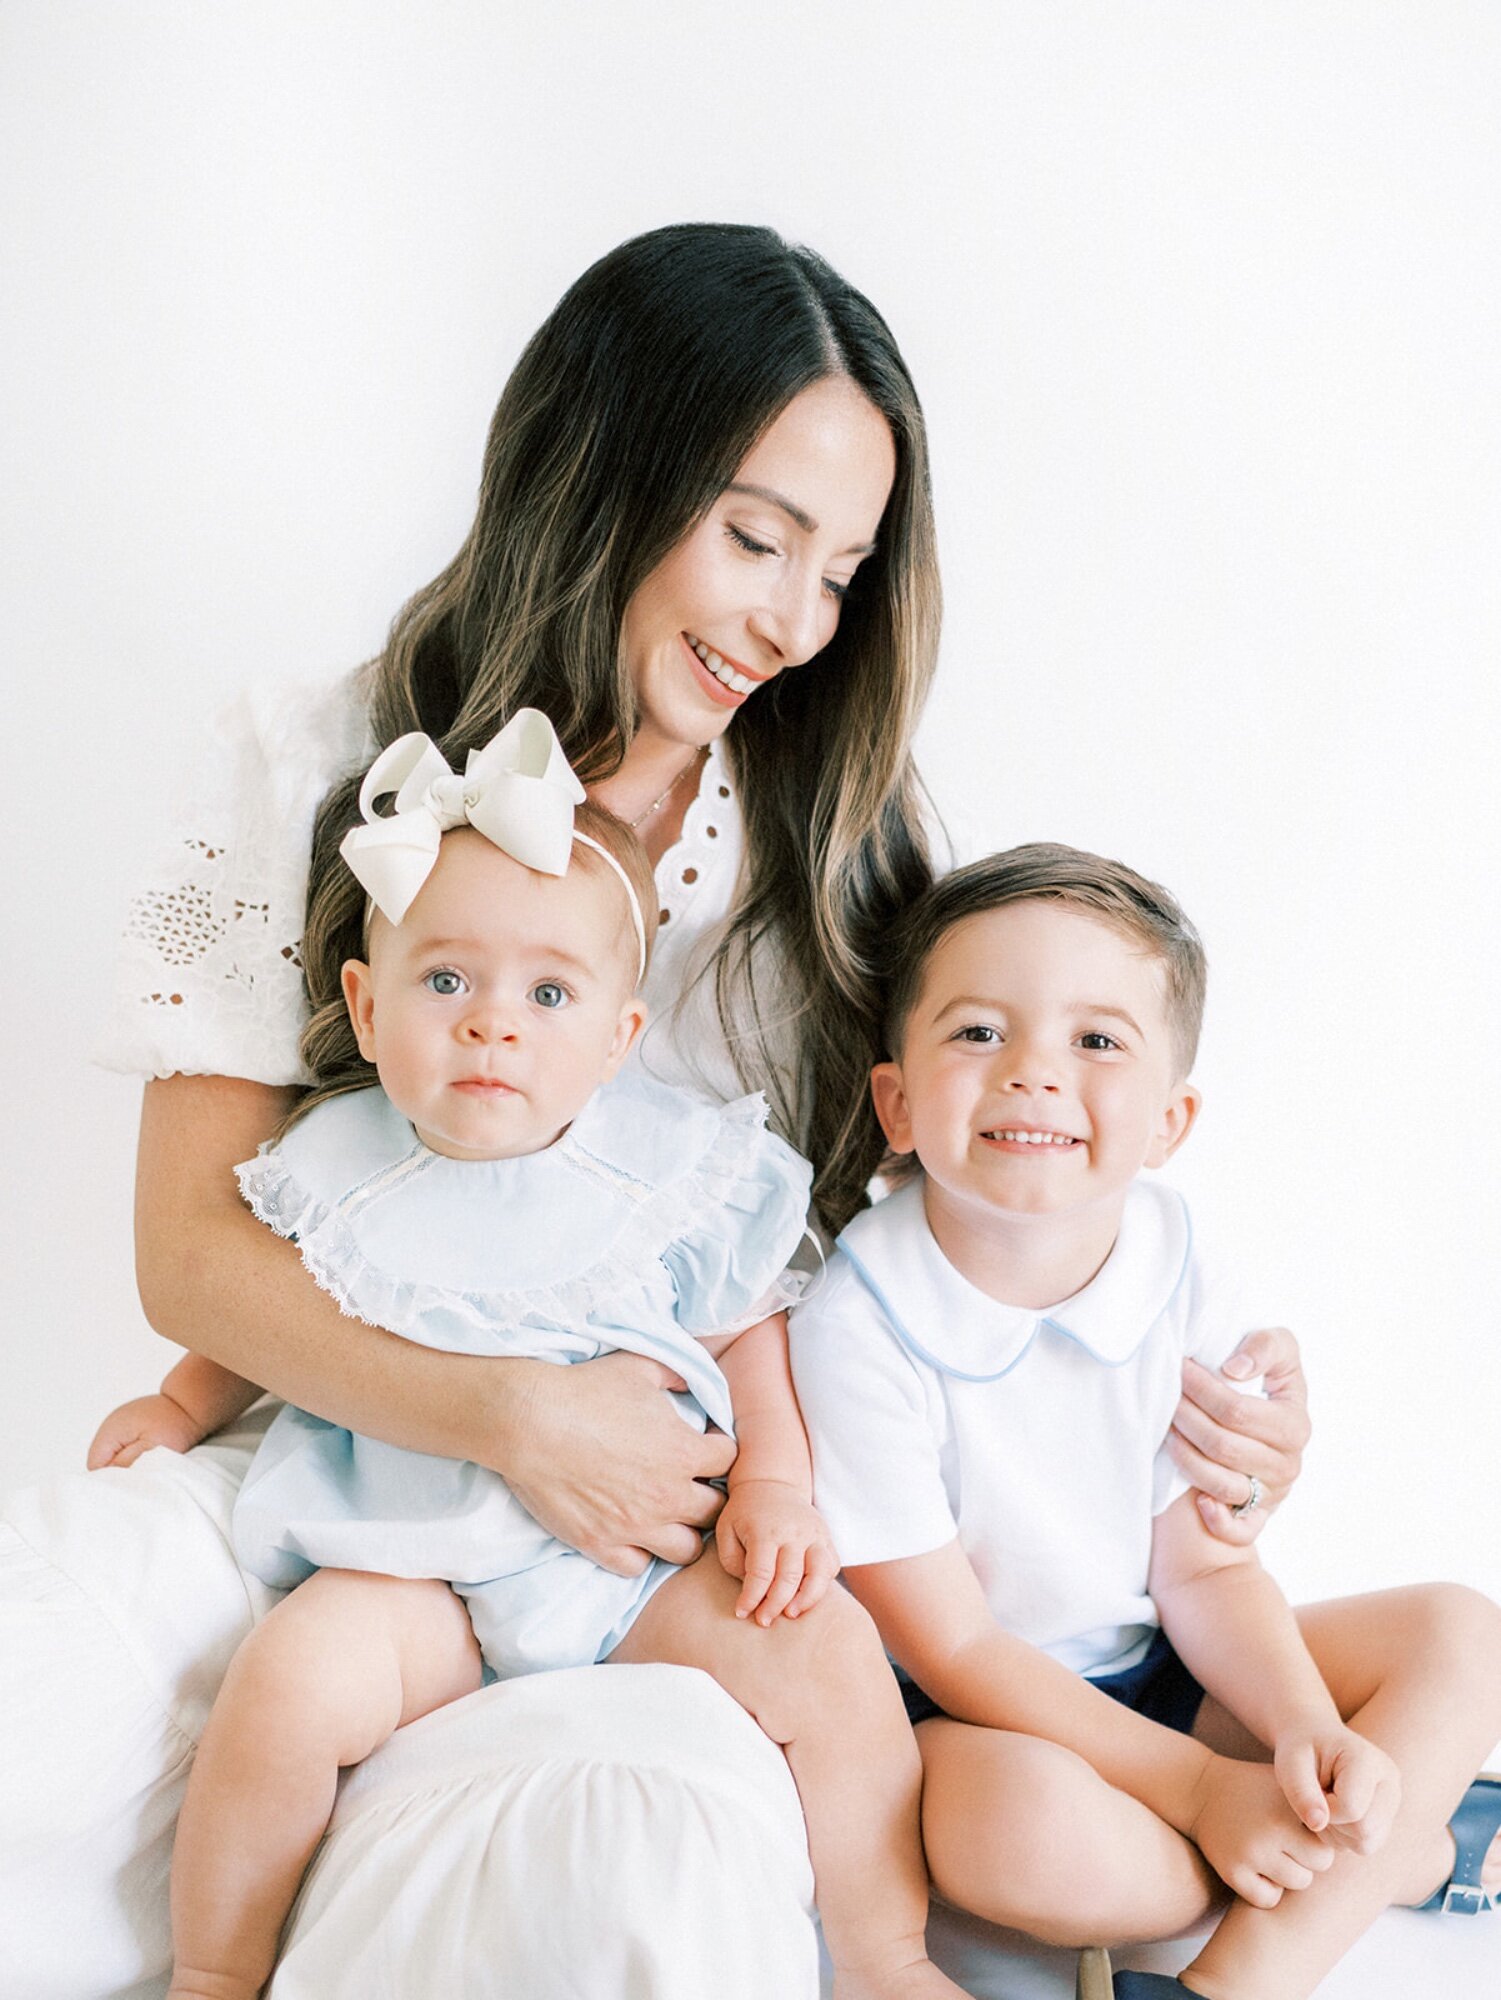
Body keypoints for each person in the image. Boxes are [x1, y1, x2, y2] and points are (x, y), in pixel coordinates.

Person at [12, 224, 1305, 1991]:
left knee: (635, 1860)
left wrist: (1185, 1399)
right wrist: (508, 1422)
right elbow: (195, 1251)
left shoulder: (832, 843)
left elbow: (949, 1221)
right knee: (48, 1669)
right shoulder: (316, 760)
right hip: (338, 1468)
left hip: (675, 1544)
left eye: (839, 568)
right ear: (600, 471)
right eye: (755, 536)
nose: (794, 619)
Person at [100, 715, 966, 2000]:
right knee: (283, 1688)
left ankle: (889, 1953)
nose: (492, 1025)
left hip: (630, 1571)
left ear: (618, 1038)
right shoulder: (336, 1165)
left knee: (828, 1654)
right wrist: (179, 1404)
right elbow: (266, 1312)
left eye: (548, 994)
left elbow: (748, 1328)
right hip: (415, 1568)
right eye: (445, 981)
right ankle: (217, 1964)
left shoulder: (664, 1164)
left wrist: (778, 1487)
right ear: (364, 1003)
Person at [787, 843, 1501, 2000]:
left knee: (1465, 1630)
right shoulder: (858, 1321)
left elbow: (1209, 1572)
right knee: (1015, 1836)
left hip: (1170, 1665)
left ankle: (1228, 1978)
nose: (1033, 1072)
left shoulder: (1178, 1256)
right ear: (897, 1102)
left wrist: (1303, 1731)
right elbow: (953, 1645)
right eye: (978, 1032)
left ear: (1169, 1118)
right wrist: (1201, 1790)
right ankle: (1398, 1852)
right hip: (984, 1714)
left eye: (1096, 1040)